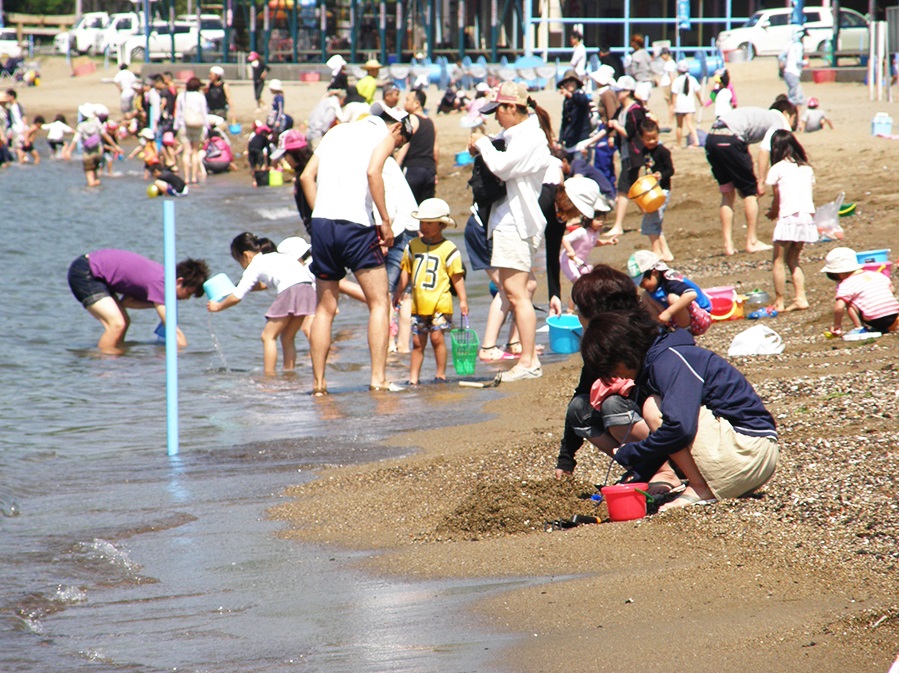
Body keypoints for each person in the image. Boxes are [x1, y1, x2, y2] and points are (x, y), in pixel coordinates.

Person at [580, 309, 780, 510]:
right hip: (750, 461)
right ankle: (705, 485)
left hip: (748, 454)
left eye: (611, 369)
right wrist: (636, 479)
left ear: (624, 353)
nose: (615, 376)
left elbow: (679, 429)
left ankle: (700, 487)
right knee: (662, 411)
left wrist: (634, 452)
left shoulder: (669, 361)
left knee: (652, 407)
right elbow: (672, 439)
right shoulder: (662, 358)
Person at [299, 100, 413, 394]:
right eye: (400, 143)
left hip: (323, 224)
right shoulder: (384, 136)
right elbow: (374, 173)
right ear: (397, 127)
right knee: (379, 302)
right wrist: (385, 221)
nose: (396, 148)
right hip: (357, 226)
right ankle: (378, 378)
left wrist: (319, 215)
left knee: (324, 309)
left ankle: (319, 384)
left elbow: (305, 177)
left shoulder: (336, 132)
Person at [554, 265, 685, 501]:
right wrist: (566, 459)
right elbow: (582, 392)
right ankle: (640, 467)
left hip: (672, 433)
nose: (577, 316)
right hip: (639, 429)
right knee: (579, 409)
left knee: (613, 404)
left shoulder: (645, 336)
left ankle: (665, 470)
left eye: (581, 309)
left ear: (599, 312)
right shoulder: (601, 344)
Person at [467, 81, 553, 382]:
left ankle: (528, 361)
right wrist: (485, 140)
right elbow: (501, 141)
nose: (495, 118)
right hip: (509, 223)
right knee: (515, 292)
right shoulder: (518, 132)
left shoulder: (532, 138)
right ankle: (526, 357)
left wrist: (482, 143)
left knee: (517, 295)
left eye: (498, 111)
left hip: (516, 224)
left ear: (512, 108)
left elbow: (502, 167)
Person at [208, 232, 316, 374]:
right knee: (287, 337)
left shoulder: (255, 264)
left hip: (290, 290)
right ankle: (289, 374)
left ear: (245, 255)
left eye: (239, 261)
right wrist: (237, 288)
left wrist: (218, 307)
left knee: (268, 336)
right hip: (307, 289)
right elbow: (266, 284)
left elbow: (237, 296)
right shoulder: (275, 257)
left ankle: (269, 377)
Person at [67, 249, 209, 353]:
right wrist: (183, 353)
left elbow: (127, 302)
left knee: (123, 322)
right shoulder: (162, 283)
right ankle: (104, 368)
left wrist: (156, 302)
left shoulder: (161, 281)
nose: (186, 298)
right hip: (86, 272)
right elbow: (172, 329)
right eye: (188, 292)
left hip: (98, 275)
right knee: (116, 324)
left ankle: (113, 360)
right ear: (179, 281)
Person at [704, 99, 798, 256]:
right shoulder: (777, 121)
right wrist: (761, 181)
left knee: (727, 193)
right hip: (731, 139)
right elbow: (764, 150)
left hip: (712, 138)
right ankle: (752, 241)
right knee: (750, 193)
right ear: (787, 114)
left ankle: (728, 245)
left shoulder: (760, 114)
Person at [391, 198, 468, 385]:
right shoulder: (413, 246)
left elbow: (456, 276)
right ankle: (413, 378)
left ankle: (440, 374)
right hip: (418, 304)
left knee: (436, 338)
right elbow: (406, 272)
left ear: (441, 225)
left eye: (429, 223)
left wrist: (464, 300)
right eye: (422, 222)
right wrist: (398, 293)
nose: (424, 226)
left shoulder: (449, 249)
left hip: (440, 302)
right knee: (417, 343)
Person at [764, 130, 817, 313]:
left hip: (788, 217)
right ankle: (800, 297)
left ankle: (780, 301)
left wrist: (772, 211)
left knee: (778, 261)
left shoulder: (777, 168)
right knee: (793, 259)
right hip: (806, 217)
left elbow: (777, 196)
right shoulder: (806, 168)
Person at [627, 250, 711, 336]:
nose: (642, 286)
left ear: (655, 273)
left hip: (699, 319)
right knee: (645, 296)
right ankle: (662, 331)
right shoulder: (654, 286)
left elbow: (691, 294)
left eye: (642, 282)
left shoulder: (670, 280)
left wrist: (668, 313)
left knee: (673, 298)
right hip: (676, 318)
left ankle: (685, 334)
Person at [821, 247, 899, 339]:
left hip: (874, 319)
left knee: (848, 300)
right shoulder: (876, 275)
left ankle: (859, 328)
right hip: (894, 315)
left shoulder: (846, 284)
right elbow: (892, 290)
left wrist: (837, 325)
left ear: (839, 274)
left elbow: (839, 308)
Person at [558, 176, 617, 295]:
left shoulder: (595, 233)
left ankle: (584, 301)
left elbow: (594, 242)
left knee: (589, 277)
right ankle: (571, 308)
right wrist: (570, 251)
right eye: (598, 219)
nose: (601, 222)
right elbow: (565, 239)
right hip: (568, 261)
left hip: (580, 261)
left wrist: (607, 242)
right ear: (589, 219)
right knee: (578, 282)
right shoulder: (581, 232)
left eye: (602, 220)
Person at [605, 75, 646, 238]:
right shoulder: (622, 109)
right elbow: (611, 125)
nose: (616, 94)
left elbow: (629, 132)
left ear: (627, 91)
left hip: (633, 154)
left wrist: (616, 126)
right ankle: (650, 218)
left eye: (619, 91)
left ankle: (618, 226)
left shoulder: (634, 109)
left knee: (623, 190)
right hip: (626, 154)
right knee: (633, 190)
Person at [635, 118, 674, 260]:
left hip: (662, 190)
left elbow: (671, 170)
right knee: (655, 221)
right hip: (650, 190)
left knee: (651, 221)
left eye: (654, 138)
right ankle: (665, 253)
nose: (652, 141)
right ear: (641, 138)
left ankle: (656, 251)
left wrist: (661, 175)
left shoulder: (663, 152)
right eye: (648, 139)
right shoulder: (644, 152)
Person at [64, 104, 122, 187]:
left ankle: (91, 194)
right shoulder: (96, 122)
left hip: (88, 153)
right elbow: (105, 134)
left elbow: (76, 139)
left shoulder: (81, 125)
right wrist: (115, 146)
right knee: (95, 172)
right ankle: (98, 190)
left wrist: (69, 151)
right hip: (98, 151)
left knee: (89, 173)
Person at [397, 88, 438, 202]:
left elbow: (405, 145)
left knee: (407, 206)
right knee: (425, 211)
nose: (405, 102)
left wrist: (396, 165)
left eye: (407, 99)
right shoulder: (431, 122)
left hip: (413, 169)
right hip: (429, 170)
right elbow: (435, 149)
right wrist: (435, 172)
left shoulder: (411, 119)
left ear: (417, 104)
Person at [174, 76, 208, 184]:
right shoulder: (200, 97)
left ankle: (186, 178)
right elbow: (204, 112)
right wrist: (207, 127)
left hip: (184, 126)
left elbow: (178, 113)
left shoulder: (181, 96)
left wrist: (175, 127)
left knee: (186, 152)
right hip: (198, 126)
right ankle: (193, 177)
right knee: (195, 151)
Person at [557, 69, 592, 152]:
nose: (568, 84)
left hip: (581, 140)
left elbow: (582, 101)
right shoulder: (566, 101)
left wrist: (570, 95)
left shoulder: (581, 95)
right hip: (570, 141)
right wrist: (560, 140)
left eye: (571, 81)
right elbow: (564, 121)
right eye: (566, 82)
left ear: (576, 83)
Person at [671, 60, 703, 149]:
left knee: (679, 125)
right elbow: (697, 92)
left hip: (679, 105)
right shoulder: (692, 79)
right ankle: (696, 141)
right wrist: (700, 101)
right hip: (689, 104)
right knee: (690, 124)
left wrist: (673, 106)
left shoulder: (677, 81)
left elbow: (674, 95)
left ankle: (678, 144)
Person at [779, 27, 808, 111]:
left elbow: (781, 56)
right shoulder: (798, 46)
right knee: (796, 97)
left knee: (794, 95)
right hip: (793, 72)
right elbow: (798, 61)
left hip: (787, 73)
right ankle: (793, 117)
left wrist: (783, 65)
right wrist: (806, 62)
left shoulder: (790, 44)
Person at [657, 48, 677, 125]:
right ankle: (671, 118)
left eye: (662, 55)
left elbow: (672, 76)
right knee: (670, 103)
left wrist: (672, 87)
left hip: (668, 84)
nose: (662, 57)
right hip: (667, 84)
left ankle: (671, 119)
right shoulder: (669, 63)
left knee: (670, 103)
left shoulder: (670, 63)